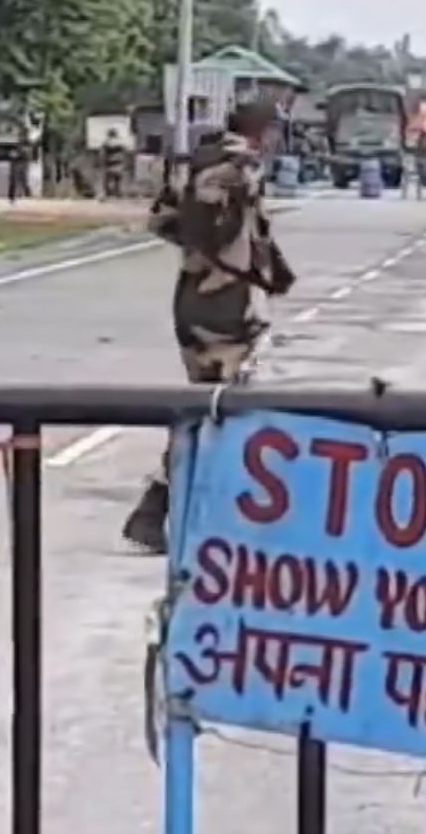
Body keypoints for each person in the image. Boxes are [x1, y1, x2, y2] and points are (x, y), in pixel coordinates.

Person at [122, 101, 297, 553]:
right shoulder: (243, 168)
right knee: (235, 411)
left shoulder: (195, 162)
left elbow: (160, 220)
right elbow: (250, 236)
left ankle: (161, 511)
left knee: (204, 406)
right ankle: (179, 510)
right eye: (275, 131)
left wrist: (199, 253)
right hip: (231, 305)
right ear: (264, 132)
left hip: (192, 298)